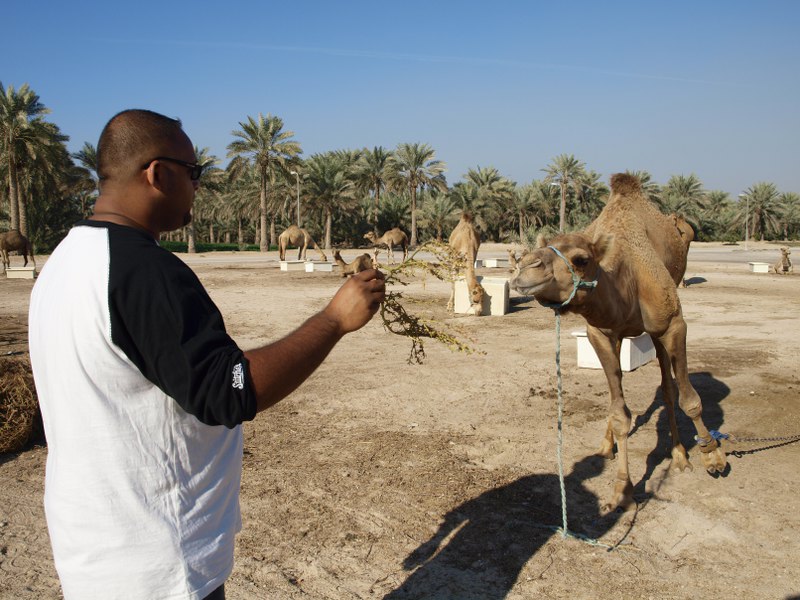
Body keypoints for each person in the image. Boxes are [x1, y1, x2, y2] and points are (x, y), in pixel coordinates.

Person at [28, 109, 386, 600]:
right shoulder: (144, 273)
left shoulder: (65, 260)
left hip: (95, 552)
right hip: (159, 566)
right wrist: (333, 321)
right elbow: (230, 391)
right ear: (158, 173)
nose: (199, 187)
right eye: (194, 173)